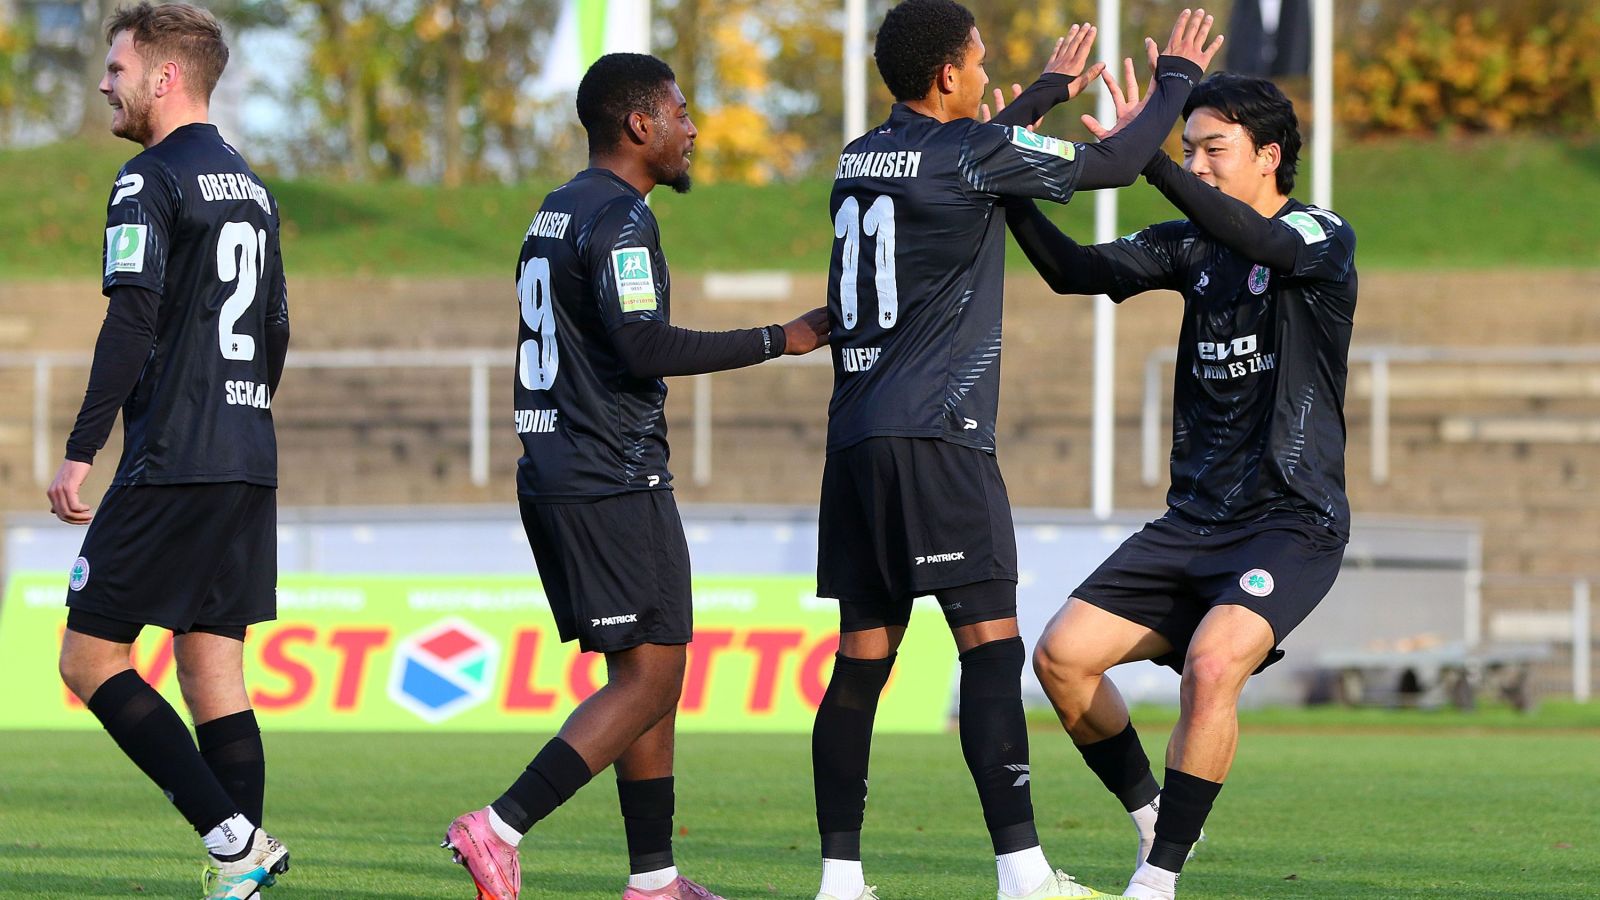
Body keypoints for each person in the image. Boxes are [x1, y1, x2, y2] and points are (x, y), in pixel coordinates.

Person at [808, 3, 1221, 899]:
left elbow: (960, 159)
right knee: (990, 650)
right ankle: (1023, 873)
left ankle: (839, 880)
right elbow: (1114, 163)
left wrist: (1040, 95)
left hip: (856, 440)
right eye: (979, 61)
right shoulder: (969, 152)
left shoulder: (858, 158)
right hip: (940, 438)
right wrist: (1176, 83)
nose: (987, 73)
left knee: (861, 663)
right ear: (947, 76)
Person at [442, 52, 830, 900]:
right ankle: (498, 827)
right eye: (680, 112)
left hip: (557, 465)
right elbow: (643, 345)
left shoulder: (556, 209)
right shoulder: (620, 219)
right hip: (609, 472)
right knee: (653, 677)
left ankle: (654, 880)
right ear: (639, 124)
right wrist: (783, 338)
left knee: (649, 674)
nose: (693, 129)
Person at [1005, 55, 1357, 900]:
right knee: (1060, 659)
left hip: (1291, 518)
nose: (1196, 163)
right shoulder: (1188, 243)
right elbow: (1073, 271)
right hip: (1193, 519)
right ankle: (1154, 819)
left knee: (1212, 662)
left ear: (1269, 155)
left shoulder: (1319, 234)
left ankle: (1157, 880)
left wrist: (1150, 159)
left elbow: (1263, 243)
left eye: (1211, 149)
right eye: (1187, 148)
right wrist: (1007, 190)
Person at [47, 3, 292, 898]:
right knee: (212, 665)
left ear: (164, 77)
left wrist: (82, 448)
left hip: (177, 456)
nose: (104, 83)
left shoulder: (146, 179)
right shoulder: (254, 188)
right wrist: (239, 415)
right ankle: (241, 877)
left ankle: (235, 844)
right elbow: (276, 327)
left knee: (88, 660)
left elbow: (132, 319)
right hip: (246, 451)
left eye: (117, 69)